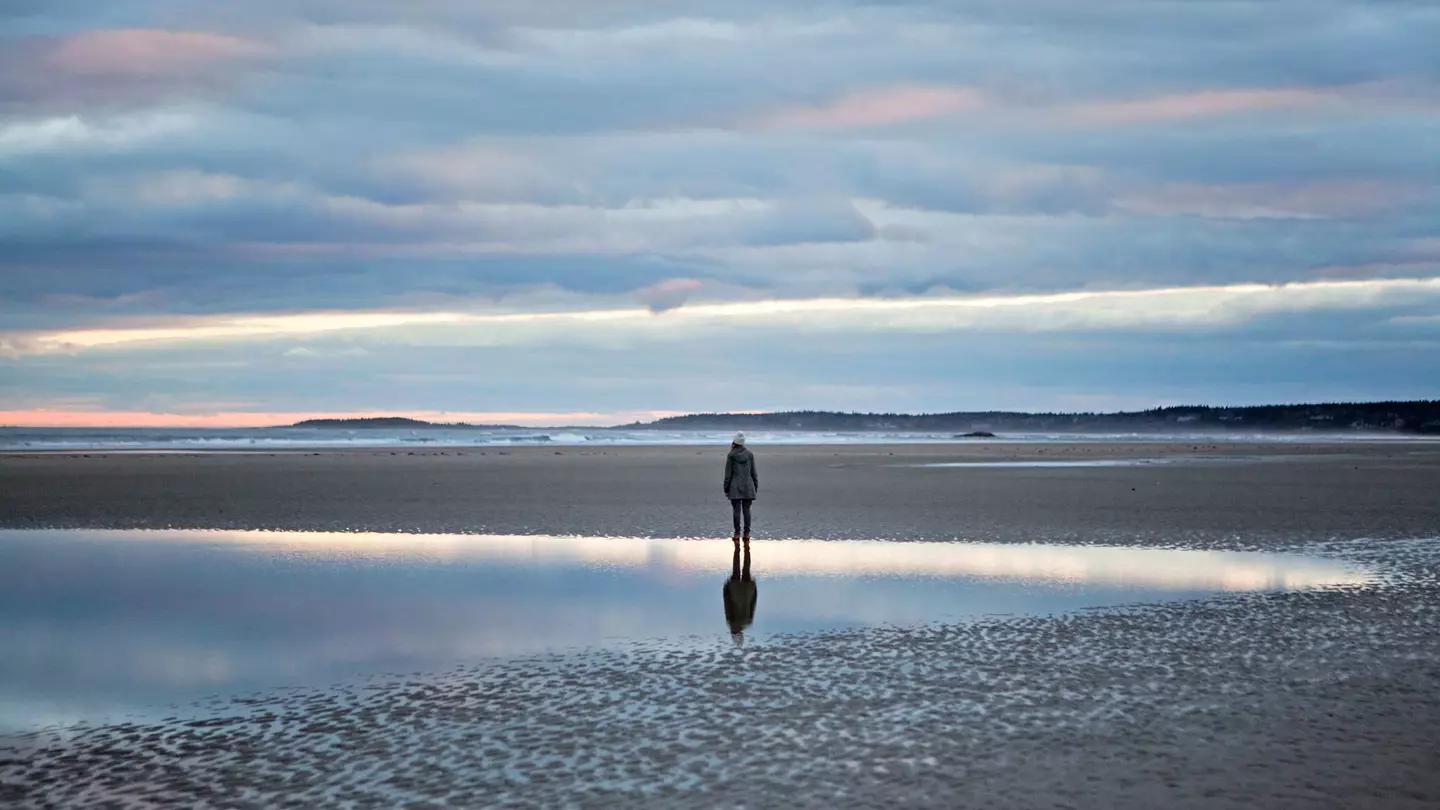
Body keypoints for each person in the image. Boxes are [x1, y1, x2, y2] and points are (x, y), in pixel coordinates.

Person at [723, 432, 758, 541]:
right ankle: (746, 534)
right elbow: (754, 473)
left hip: (735, 487)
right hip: (748, 486)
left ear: (734, 442)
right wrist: (755, 487)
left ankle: (737, 533)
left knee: (736, 511)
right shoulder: (750, 454)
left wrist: (726, 488)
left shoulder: (731, 455)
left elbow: (728, 474)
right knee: (747, 510)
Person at [722, 537, 757, 646]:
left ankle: (746, 547)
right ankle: (738, 547)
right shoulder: (731, 622)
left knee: (746, 567)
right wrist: (726, 588)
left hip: (748, 591)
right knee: (736, 568)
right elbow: (727, 603)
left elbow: (753, 603)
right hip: (735, 591)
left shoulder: (748, 622)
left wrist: (754, 589)